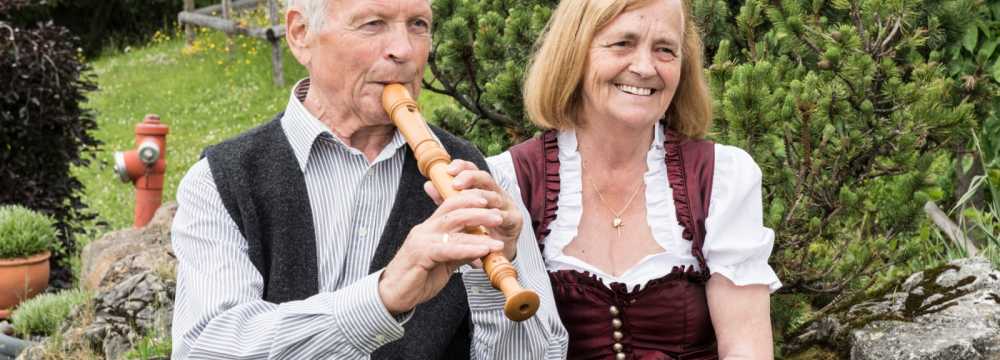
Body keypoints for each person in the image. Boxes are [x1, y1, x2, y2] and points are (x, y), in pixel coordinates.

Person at [169, 0, 567, 358]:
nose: (405, 51)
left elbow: (542, 355)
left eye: (418, 24)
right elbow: (207, 347)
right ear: (300, 34)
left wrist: (496, 273)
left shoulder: (477, 175)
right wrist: (380, 299)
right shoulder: (220, 181)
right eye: (373, 23)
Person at [487, 0, 782, 358]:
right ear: (574, 52)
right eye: (622, 43)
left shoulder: (721, 177)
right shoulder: (509, 181)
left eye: (665, 49)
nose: (644, 67)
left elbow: (744, 347)